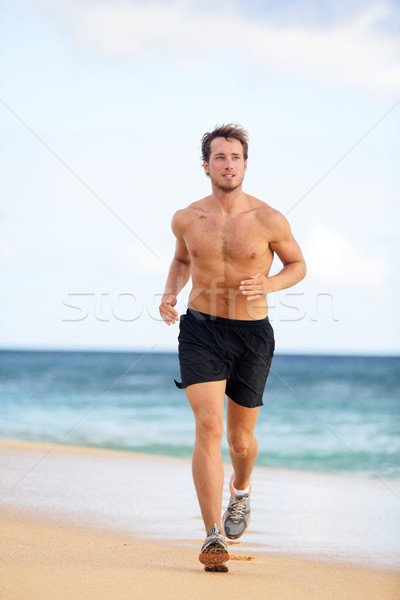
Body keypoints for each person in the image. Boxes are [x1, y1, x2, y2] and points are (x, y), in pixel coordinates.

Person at [159, 124, 306, 572]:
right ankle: (212, 537)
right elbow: (184, 259)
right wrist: (169, 292)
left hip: (251, 334)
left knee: (240, 441)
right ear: (206, 165)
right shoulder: (186, 218)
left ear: (245, 163)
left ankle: (240, 492)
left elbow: (298, 265)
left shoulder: (268, 219)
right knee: (207, 427)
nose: (228, 164)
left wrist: (270, 282)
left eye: (235, 157)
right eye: (219, 157)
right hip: (201, 329)